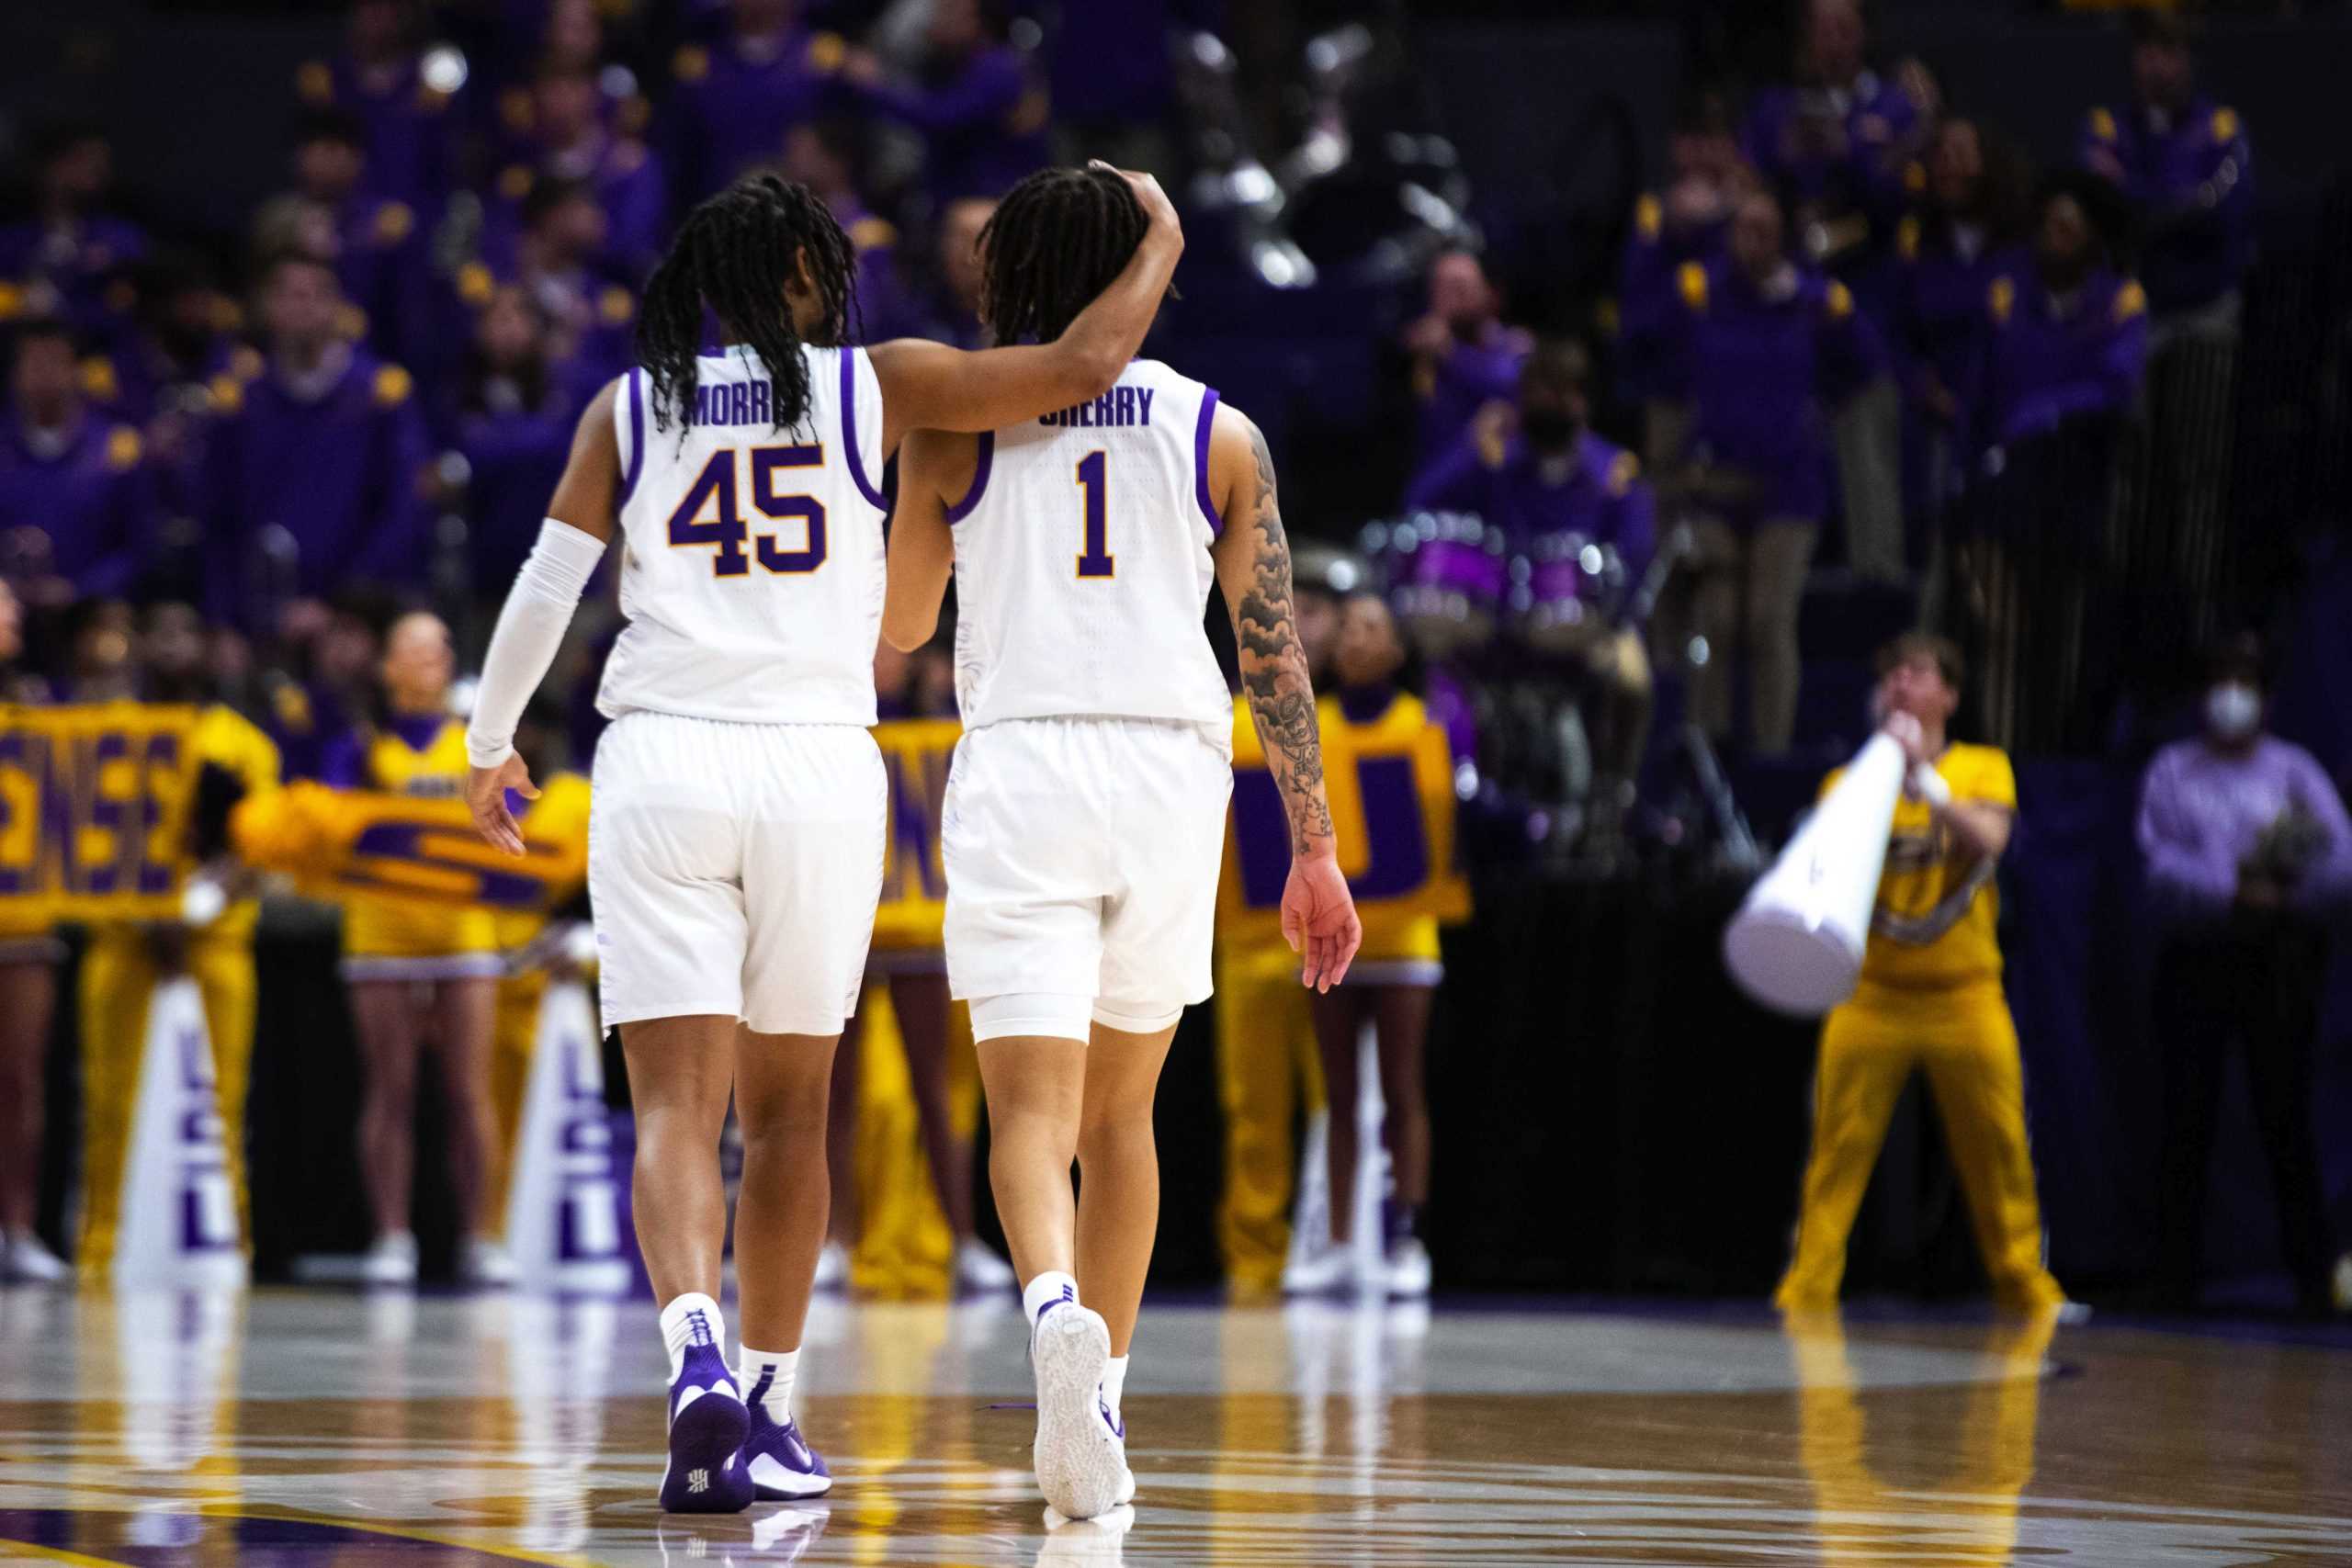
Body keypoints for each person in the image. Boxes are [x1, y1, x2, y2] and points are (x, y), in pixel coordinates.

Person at [459, 166, 1185, 1514]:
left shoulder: (630, 405)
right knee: (792, 1113)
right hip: (812, 772)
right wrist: (1162, 240)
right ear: (801, 272)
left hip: (661, 758)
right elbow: (1091, 359)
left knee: (676, 1105)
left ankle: (694, 1355)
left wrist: (487, 740)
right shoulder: (882, 382)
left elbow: (546, 580)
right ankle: (774, 1398)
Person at [883, 164, 1361, 1520]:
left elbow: (908, 624)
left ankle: (1050, 1317)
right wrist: (1311, 848)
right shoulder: (1223, 433)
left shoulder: (957, 429)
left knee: (1026, 1114)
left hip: (1025, 757)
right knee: (1124, 1114)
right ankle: (1098, 1400)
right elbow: (1275, 659)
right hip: (1170, 766)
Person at [1775, 634, 2068, 1316]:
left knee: (1999, 1149)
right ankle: (1806, 1288)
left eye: (1919, 672)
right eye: (1892, 674)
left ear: (1950, 696)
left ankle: (2028, 1286)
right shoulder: (1845, 784)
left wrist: (1923, 783)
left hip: (1964, 994)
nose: (1902, 683)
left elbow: (1990, 841)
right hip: (1872, 995)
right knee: (1834, 1152)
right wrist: (1882, 777)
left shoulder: (1981, 767)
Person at [2135, 637, 2350, 1315]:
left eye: (2244, 679)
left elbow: (2342, 857)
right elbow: (2158, 865)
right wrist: (2230, 890)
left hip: (2278, 959)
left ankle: (2313, 1282)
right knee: (2184, 1118)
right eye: (2221, 678)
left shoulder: (2293, 771)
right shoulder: (2174, 769)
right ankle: (2173, 1281)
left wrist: (2289, 891)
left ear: (2266, 695)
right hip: (2198, 958)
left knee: (2285, 1115)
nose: (2232, 691)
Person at [76, 604, 281, 1277]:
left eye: (185, 631)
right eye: (158, 630)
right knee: (111, 1101)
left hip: (216, 943)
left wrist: (201, 901)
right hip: (124, 942)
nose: (171, 643)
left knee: (221, 1102)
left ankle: (228, 1245)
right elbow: (85, 836)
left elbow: (258, 846)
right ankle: (101, 1247)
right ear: (138, 643)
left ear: (208, 645)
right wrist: (143, 906)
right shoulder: (108, 732)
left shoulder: (244, 742)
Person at [816, 637, 1014, 1297]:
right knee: (833, 1095)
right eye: (869, 646)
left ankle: (961, 1240)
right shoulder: (832, 731)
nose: (880, 659)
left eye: (890, 649)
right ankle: (834, 1240)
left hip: (920, 934)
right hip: (845, 928)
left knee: (937, 1091)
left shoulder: (948, 733)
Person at [326, 610, 516, 1289]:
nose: (429, 658)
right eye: (413, 648)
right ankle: (392, 1236)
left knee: (470, 1092)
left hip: (463, 934)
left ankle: (481, 1236)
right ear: (387, 667)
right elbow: (331, 824)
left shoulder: (476, 742)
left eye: (439, 647)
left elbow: (512, 822)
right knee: (391, 1090)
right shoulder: (361, 744)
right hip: (381, 934)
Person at [1663, 189, 1882, 756]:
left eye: (1765, 229)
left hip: (1790, 485)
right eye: (1743, 227)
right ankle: (1704, 753)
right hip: (1714, 483)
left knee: (1766, 621)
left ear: (1783, 237)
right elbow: (1652, 352)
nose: (1752, 240)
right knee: (1714, 619)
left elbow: (1866, 361)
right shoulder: (1701, 291)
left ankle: (1769, 755)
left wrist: (1821, 407)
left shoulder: (1813, 300)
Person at [1404, 341, 1655, 810]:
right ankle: (1459, 792)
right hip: (1500, 615)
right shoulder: (1497, 462)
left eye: (1561, 395)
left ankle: (1616, 792)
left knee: (1633, 683)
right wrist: (1469, 447)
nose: (1548, 406)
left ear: (1582, 402)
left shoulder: (1612, 473)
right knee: (1437, 655)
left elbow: (1637, 552)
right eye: (1537, 395)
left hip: (1592, 621)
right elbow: (1420, 504)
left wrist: (1613, 608)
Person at [1285, 594, 1442, 1297]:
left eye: (1372, 626)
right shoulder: (1311, 727)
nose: (1354, 637)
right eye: (1347, 626)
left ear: (1398, 649)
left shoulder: (1423, 724)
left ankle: (1405, 1234)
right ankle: (1344, 1241)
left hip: (1404, 937)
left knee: (1403, 1086)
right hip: (1330, 937)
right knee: (1339, 1093)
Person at [202, 251, 430, 627]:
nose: (303, 307)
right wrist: (226, 619)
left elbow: (402, 509)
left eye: (315, 295)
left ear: (337, 307)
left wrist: (343, 604)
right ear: (266, 306)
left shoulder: (379, 395)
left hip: (359, 615)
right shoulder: (240, 402)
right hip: (260, 613)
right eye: (289, 294)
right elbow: (219, 515)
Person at [2080, 12, 2253, 334]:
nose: (2157, 65)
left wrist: (2135, 193)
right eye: (2147, 51)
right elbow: (2102, 211)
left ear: (2189, 59)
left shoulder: (2221, 129)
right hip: (2131, 305)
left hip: (2206, 304)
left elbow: (2223, 211)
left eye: (2169, 50)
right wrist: (2184, 202)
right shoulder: (2106, 129)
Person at [0, 581, 66, 1283]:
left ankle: (16, 1228)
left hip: (24, 921)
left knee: (19, 1080)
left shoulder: (41, 708)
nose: (15, 614)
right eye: (3, 605)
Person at [0, 318, 153, 604]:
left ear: (76, 370)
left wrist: (81, 591)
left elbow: (136, 545)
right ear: (15, 373)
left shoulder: (117, 447)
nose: (45, 373)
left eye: (55, 361)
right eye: (34, 362)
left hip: (91, 617)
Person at [841, 0, 1050, 204]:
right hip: (956, 195)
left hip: (989, 201)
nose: (935, 19)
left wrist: (876, 85)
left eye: (949, 10)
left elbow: (941, 118)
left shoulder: (999, 67)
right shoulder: (951, 61)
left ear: (978, 21)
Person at [1401, 247, 1531, 477]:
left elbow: (1507, 385)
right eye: (1441, 290)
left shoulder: (1515, 347)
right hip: (1439, 484)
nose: (1451, 300)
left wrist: (1452, 355)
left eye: (1461, 288)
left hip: (1502, 482)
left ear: (1492, 295)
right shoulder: (1421, 354)